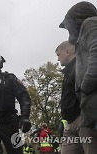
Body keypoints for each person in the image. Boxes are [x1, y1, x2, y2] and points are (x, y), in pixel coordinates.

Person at [59, 1, 97, 154]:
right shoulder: (82, 39)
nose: (68, 30)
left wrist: (85, 86)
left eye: (68, 25)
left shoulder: (90, 23)